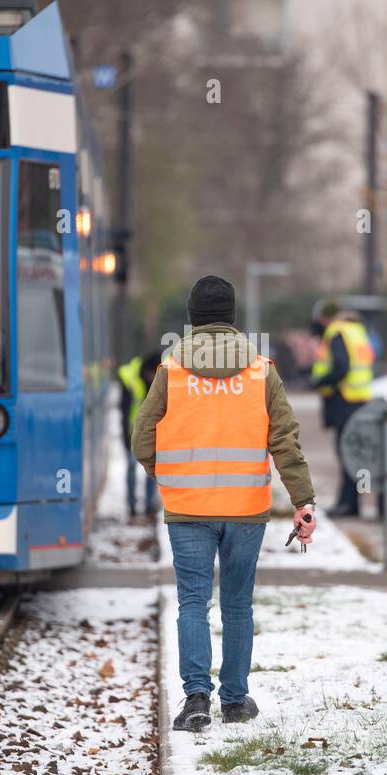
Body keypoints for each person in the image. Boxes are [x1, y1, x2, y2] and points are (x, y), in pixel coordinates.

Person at [132, 276, 316, 731]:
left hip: (188, 509)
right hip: (246, 510)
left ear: (192, 318)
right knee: (237, 604)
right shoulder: (261, 370)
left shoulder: (171, 369)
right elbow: (286, 443)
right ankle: (235, 700)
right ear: (232, 317)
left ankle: (196, 698)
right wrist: (303, 501)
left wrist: (168, 476)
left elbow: (142, 438)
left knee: (193, 602)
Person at [308, 302, 375, 517]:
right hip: (360, 398)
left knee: (346, 452)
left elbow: (341, 367)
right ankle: (354, 502)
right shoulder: (357, 330)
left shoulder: (337, 331)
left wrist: (319, 381)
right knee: (355, 452)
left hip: (344, 399)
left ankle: (348, 504)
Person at [118, 350, 163, 518]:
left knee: (152, 469)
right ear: (147, 371)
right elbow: (123, 411)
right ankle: (131, 505)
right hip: (132, 433)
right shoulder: (129, 377)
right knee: (131, 467)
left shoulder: (163, 375)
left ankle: (149, 505)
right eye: (152, 374)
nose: (153, 378)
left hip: (154, 433)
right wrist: (124, 438)